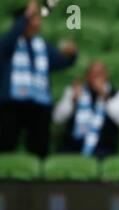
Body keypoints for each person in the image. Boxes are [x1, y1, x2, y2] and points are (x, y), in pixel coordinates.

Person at [0, 0, 77, 158]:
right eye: (32, 19)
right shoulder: (9, 42)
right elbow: (6, 43)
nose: (37, 22)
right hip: (12, 104)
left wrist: (71, 55)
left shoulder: (42, 45)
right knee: (6, 145)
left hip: (39, 104)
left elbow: (61, 62)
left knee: (39, 147)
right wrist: (27, 15)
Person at [52, 61, 119, 159]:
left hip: (103, 148)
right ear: (87, 76)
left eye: (99, 73)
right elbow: (57, 118)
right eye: (92, 73)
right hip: (72, 146)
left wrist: (105, 97)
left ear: (106, 75)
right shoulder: (73, 92)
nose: (96, 77)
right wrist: (72, 100)